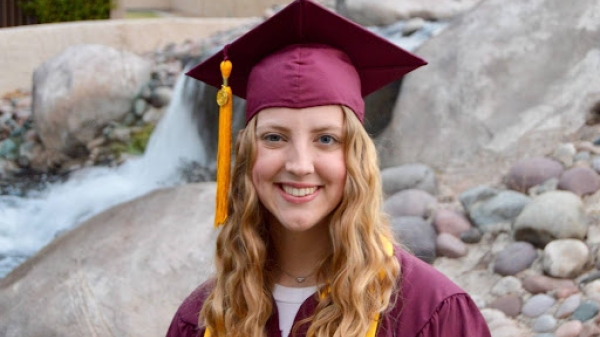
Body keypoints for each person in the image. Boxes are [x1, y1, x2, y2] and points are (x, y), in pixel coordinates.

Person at [167, 0, 492, 336]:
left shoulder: (430, 312)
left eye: (325, 139)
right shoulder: (204, 319)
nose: (299, 165)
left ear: (356, 157)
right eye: (275, 137)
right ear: (247, 155)